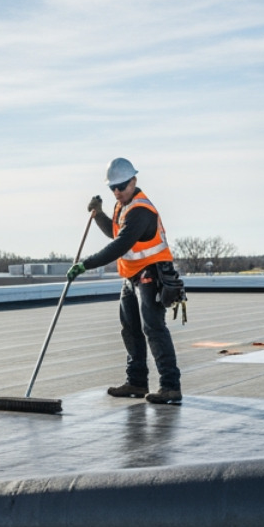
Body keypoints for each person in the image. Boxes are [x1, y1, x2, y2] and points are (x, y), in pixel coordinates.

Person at [67, 157, 182, 405]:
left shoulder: (141, 210)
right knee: (130, 329)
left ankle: (170, 387)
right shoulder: (123, 207)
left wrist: (85, 265)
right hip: (132, 277)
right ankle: (137, 383)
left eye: (121, 186)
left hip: (152, 275)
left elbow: (119, 244)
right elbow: (115, 231)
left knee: (153, 328)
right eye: (113, 188)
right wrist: (98, 215)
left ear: (134, 181)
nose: (117, 192)